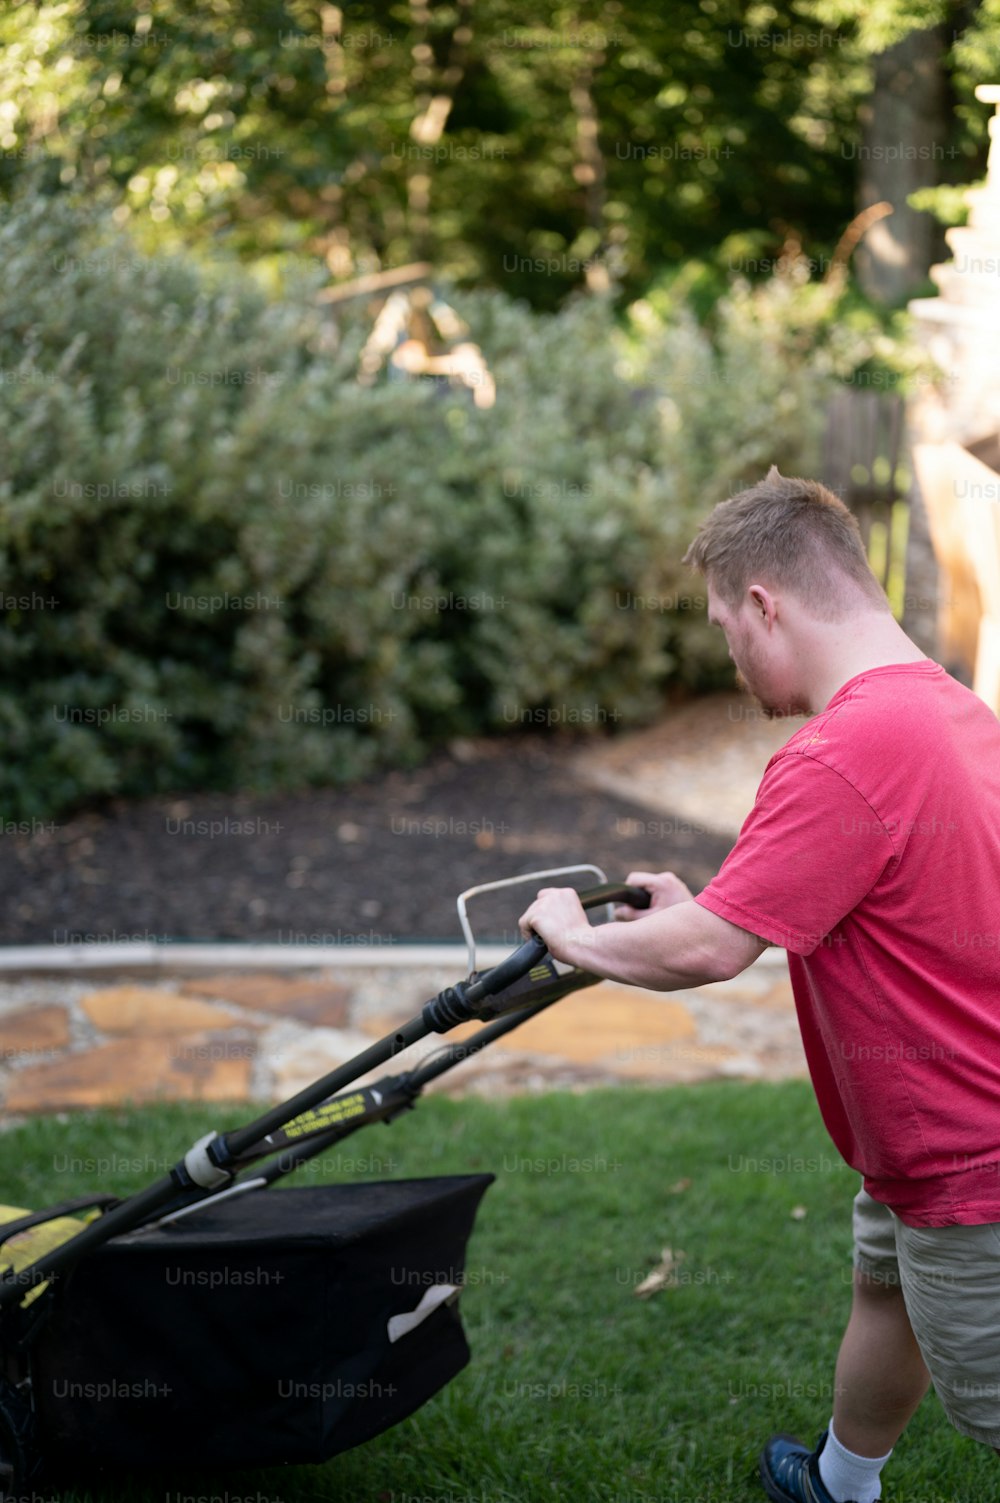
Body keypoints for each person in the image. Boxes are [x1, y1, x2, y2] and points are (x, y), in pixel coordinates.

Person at [517, 466, 1000, 1503]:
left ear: (764, 605)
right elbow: (841, 896)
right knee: (886, 1296)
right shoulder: (954, 716)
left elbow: (708, 953)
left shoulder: (842, 750)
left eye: (721, 622)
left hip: (974, 1170)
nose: (727, 651)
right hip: (921, 1151)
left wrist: (571, 935)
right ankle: (840, 1481)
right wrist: (709, 902)